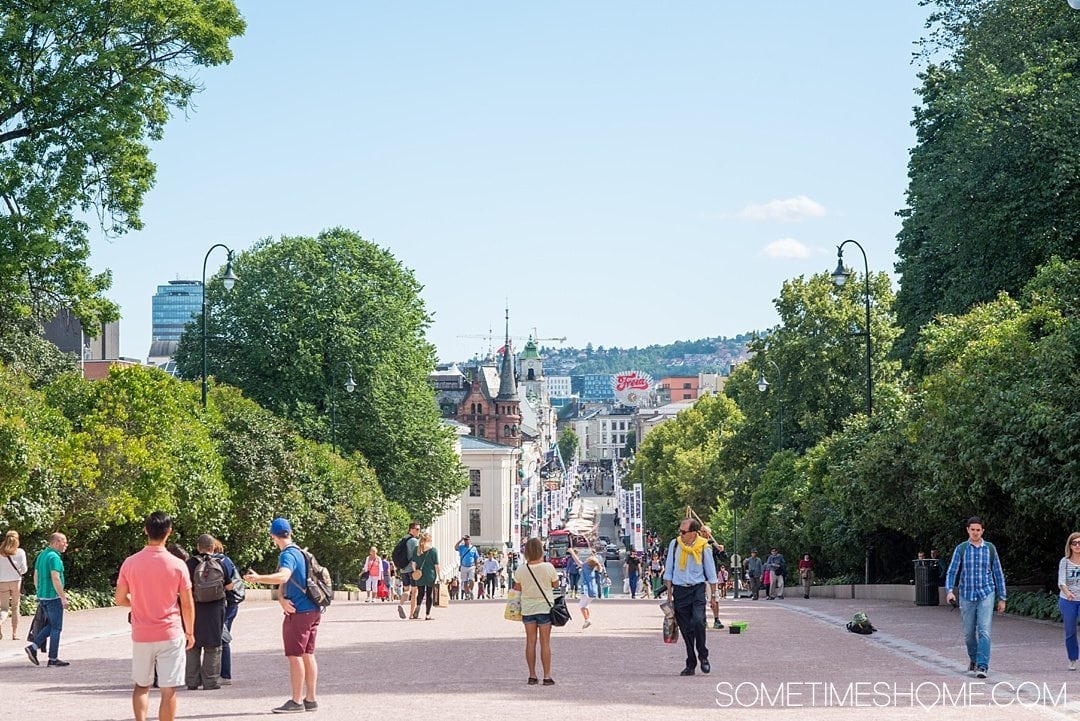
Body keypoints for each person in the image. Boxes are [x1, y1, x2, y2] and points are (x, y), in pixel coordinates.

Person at [115, 512, 195, 721]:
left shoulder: (130, 562)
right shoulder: (178, 565)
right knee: (169, 689)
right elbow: (187, 604)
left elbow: (119, 598)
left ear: (145, 530)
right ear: (169, 532)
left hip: (142, 633)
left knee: (142, 685)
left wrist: (138, 604)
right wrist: (190, 632)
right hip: (170, 632)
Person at [244, 517, 321, 714]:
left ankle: (296, 701)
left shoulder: (287, 555)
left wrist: (258, 578)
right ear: (290, 532)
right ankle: (311, 698)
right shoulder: (301, 552)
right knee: (307, 654)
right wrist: (280, 598)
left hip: (298, 611)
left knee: (294, 655)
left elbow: (284, 576)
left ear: (273, 536)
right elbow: (292, 581)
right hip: (312, 609)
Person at [944, 516, 1007, 679]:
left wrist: (1002, 598)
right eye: (972, 529)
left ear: (982, 531)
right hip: (967, 594)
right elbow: (952, 571)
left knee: (984, 630)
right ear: (968, 530)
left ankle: (982, 665)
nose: (975, 533)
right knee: (968, 633)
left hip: (986, 593)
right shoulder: (962, 549)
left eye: (978, 530)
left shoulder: (990, 549)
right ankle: (974, 659)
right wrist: (950, 590)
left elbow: (998, 574)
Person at [664, 518, 718, 676]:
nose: (680, 534)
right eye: (680, 531)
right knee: (686, 630)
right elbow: (669, 570)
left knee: (698, 621)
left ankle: (703, 655)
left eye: (683, 532)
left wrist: (713, 596)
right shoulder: (675, 544)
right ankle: (691, 662)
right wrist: (669, 594)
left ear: (693, 533)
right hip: (680, 591)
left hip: (697, 589)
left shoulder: (704, 547)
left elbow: (711, 574)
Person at [185, 534, 233, 690]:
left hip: (194, 608)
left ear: (198, 547)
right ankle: (211, 681)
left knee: (192, 645)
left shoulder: (190, 564)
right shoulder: (220, 563)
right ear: (213, 548)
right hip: (215, 608)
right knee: (213, 645)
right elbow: (229, 586)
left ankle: (192, 681)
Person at [514, 537, 559, 686]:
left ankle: (532, 675)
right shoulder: (548, 567)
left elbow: (517, 589)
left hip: (528, 608)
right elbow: (555, 584)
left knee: (530, 642)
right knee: (545, 642)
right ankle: (547, 676)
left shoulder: (521, 570)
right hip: (545, 608)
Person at [25, 532, 70, 667]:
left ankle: (33, 646)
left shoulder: (42, 555)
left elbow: (36, 576)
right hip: (53, 596)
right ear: (55, 542)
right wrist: (63, 597)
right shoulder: (54, 557)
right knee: (56, 627)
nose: (66, 545)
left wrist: (39, 591)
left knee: (51, 624)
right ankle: (52, 658)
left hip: (43, 595)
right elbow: (55, 577)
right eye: (64, 542)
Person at [212, 538, 243, 686]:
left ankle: (224, 674)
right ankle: (222, 673)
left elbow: (228, 585)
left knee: (222, 638)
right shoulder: (226, 561)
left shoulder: (219, 562)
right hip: (232, 603)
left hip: (225, 603)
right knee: (223, 637)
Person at [0, 529, 28, 640]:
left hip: (2, 582)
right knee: (15, 607)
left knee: (4, 608)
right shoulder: (20, 552)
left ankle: (0, 621)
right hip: (16, 581)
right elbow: (24, 569)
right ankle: (14, 634)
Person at [1058, 532, 1080, 671]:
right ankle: (1073, 658)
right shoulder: (1064, 561)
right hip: (1068, 600)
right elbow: (1061, 581)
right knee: (1070, 630)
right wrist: (1067, 593)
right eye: (1075, 543)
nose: (1077, 546)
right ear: (1070, 545)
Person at [411, 532, 441, 620]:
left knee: (420, 593)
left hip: (420, 575)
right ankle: (427, 615)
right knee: (429, 594)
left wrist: (416, 572)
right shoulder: (433, 550)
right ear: (429, 540)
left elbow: (413, 564)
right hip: (430, 575)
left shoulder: (416, 549)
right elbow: (436, 565)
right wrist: (440, 576)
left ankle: (418, 606)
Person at [395, 522, 421, 619]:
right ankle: (412, 614)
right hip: (412, 569)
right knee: (414, 591)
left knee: (406, 590)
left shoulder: (403, 539)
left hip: (403, 569)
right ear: (411, 530)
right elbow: (417, 555)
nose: (418, 531)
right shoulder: (414, 541)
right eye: (417, 529)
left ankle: (400, 605)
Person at [454, 535, 481, 600]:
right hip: (463, 566)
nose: (466, 541)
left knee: (472, 580)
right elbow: (455, 547)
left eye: (467, 540)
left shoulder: (473, 548)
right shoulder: (462, 547)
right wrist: (460, 540)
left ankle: (470, 591)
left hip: (471, 566)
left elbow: (476, 558)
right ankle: (467, 595)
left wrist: (477, 566)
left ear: (470, 540)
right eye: (465, 540)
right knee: (465, 581)